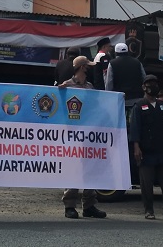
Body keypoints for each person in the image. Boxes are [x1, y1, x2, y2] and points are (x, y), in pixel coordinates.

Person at [58, 55, 107, 219]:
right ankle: (70, 205)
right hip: (72, 134)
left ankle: (89, 205)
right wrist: (60, 91)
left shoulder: (90, 87)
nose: (91, 68)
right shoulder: (67, 85)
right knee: (73, 169)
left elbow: (95, 108)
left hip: (88, 134)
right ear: (82, 67)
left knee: (89, 169)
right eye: (88, 66)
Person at [128, 75, 163, 221]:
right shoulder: (138, 106)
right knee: (146, 184)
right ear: (144, 87)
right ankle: (149, 210)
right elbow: (135, 128)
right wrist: (136, 147)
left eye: (155, 83)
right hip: (146, 153)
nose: (153, 86)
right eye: (150, 84)